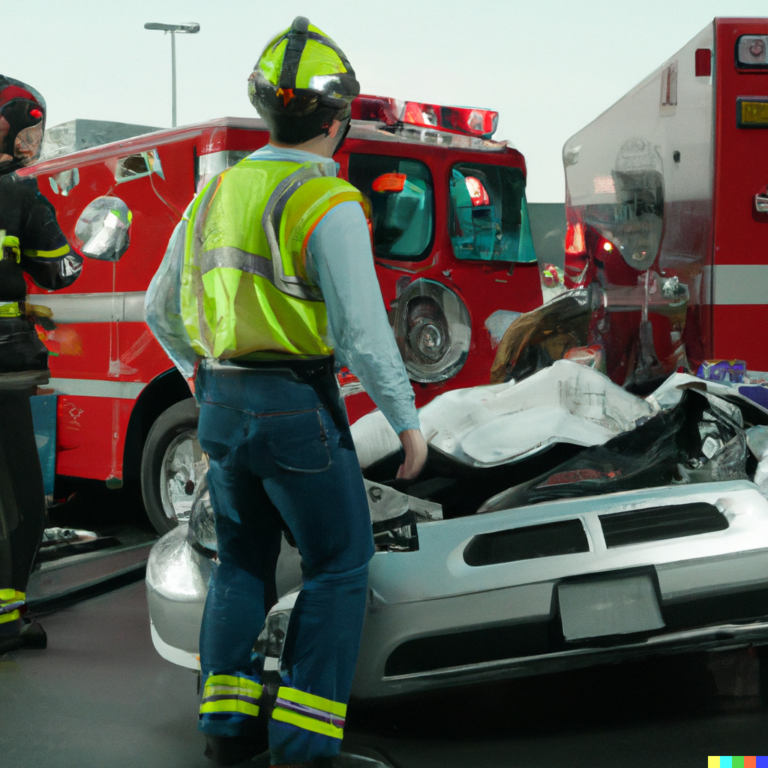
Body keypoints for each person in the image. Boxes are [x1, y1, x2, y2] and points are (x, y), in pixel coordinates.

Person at [145, 17, 427, 768]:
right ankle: (304, 750)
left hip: (222, 407)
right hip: (294, 406)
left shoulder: (213, 195)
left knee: (241, 562)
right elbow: (365, 335)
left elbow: (158, 309)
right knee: (339, 561)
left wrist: (202, 376)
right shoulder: (323, 200)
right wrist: (407, 422)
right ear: (337, 122)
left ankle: (227, 728)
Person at [0, 76, 83, 651]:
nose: (32, 140)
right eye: (27, 128)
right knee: (21, 498)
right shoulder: (20, 196)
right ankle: (7, 618)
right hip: (3, 367)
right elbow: (63, 269)